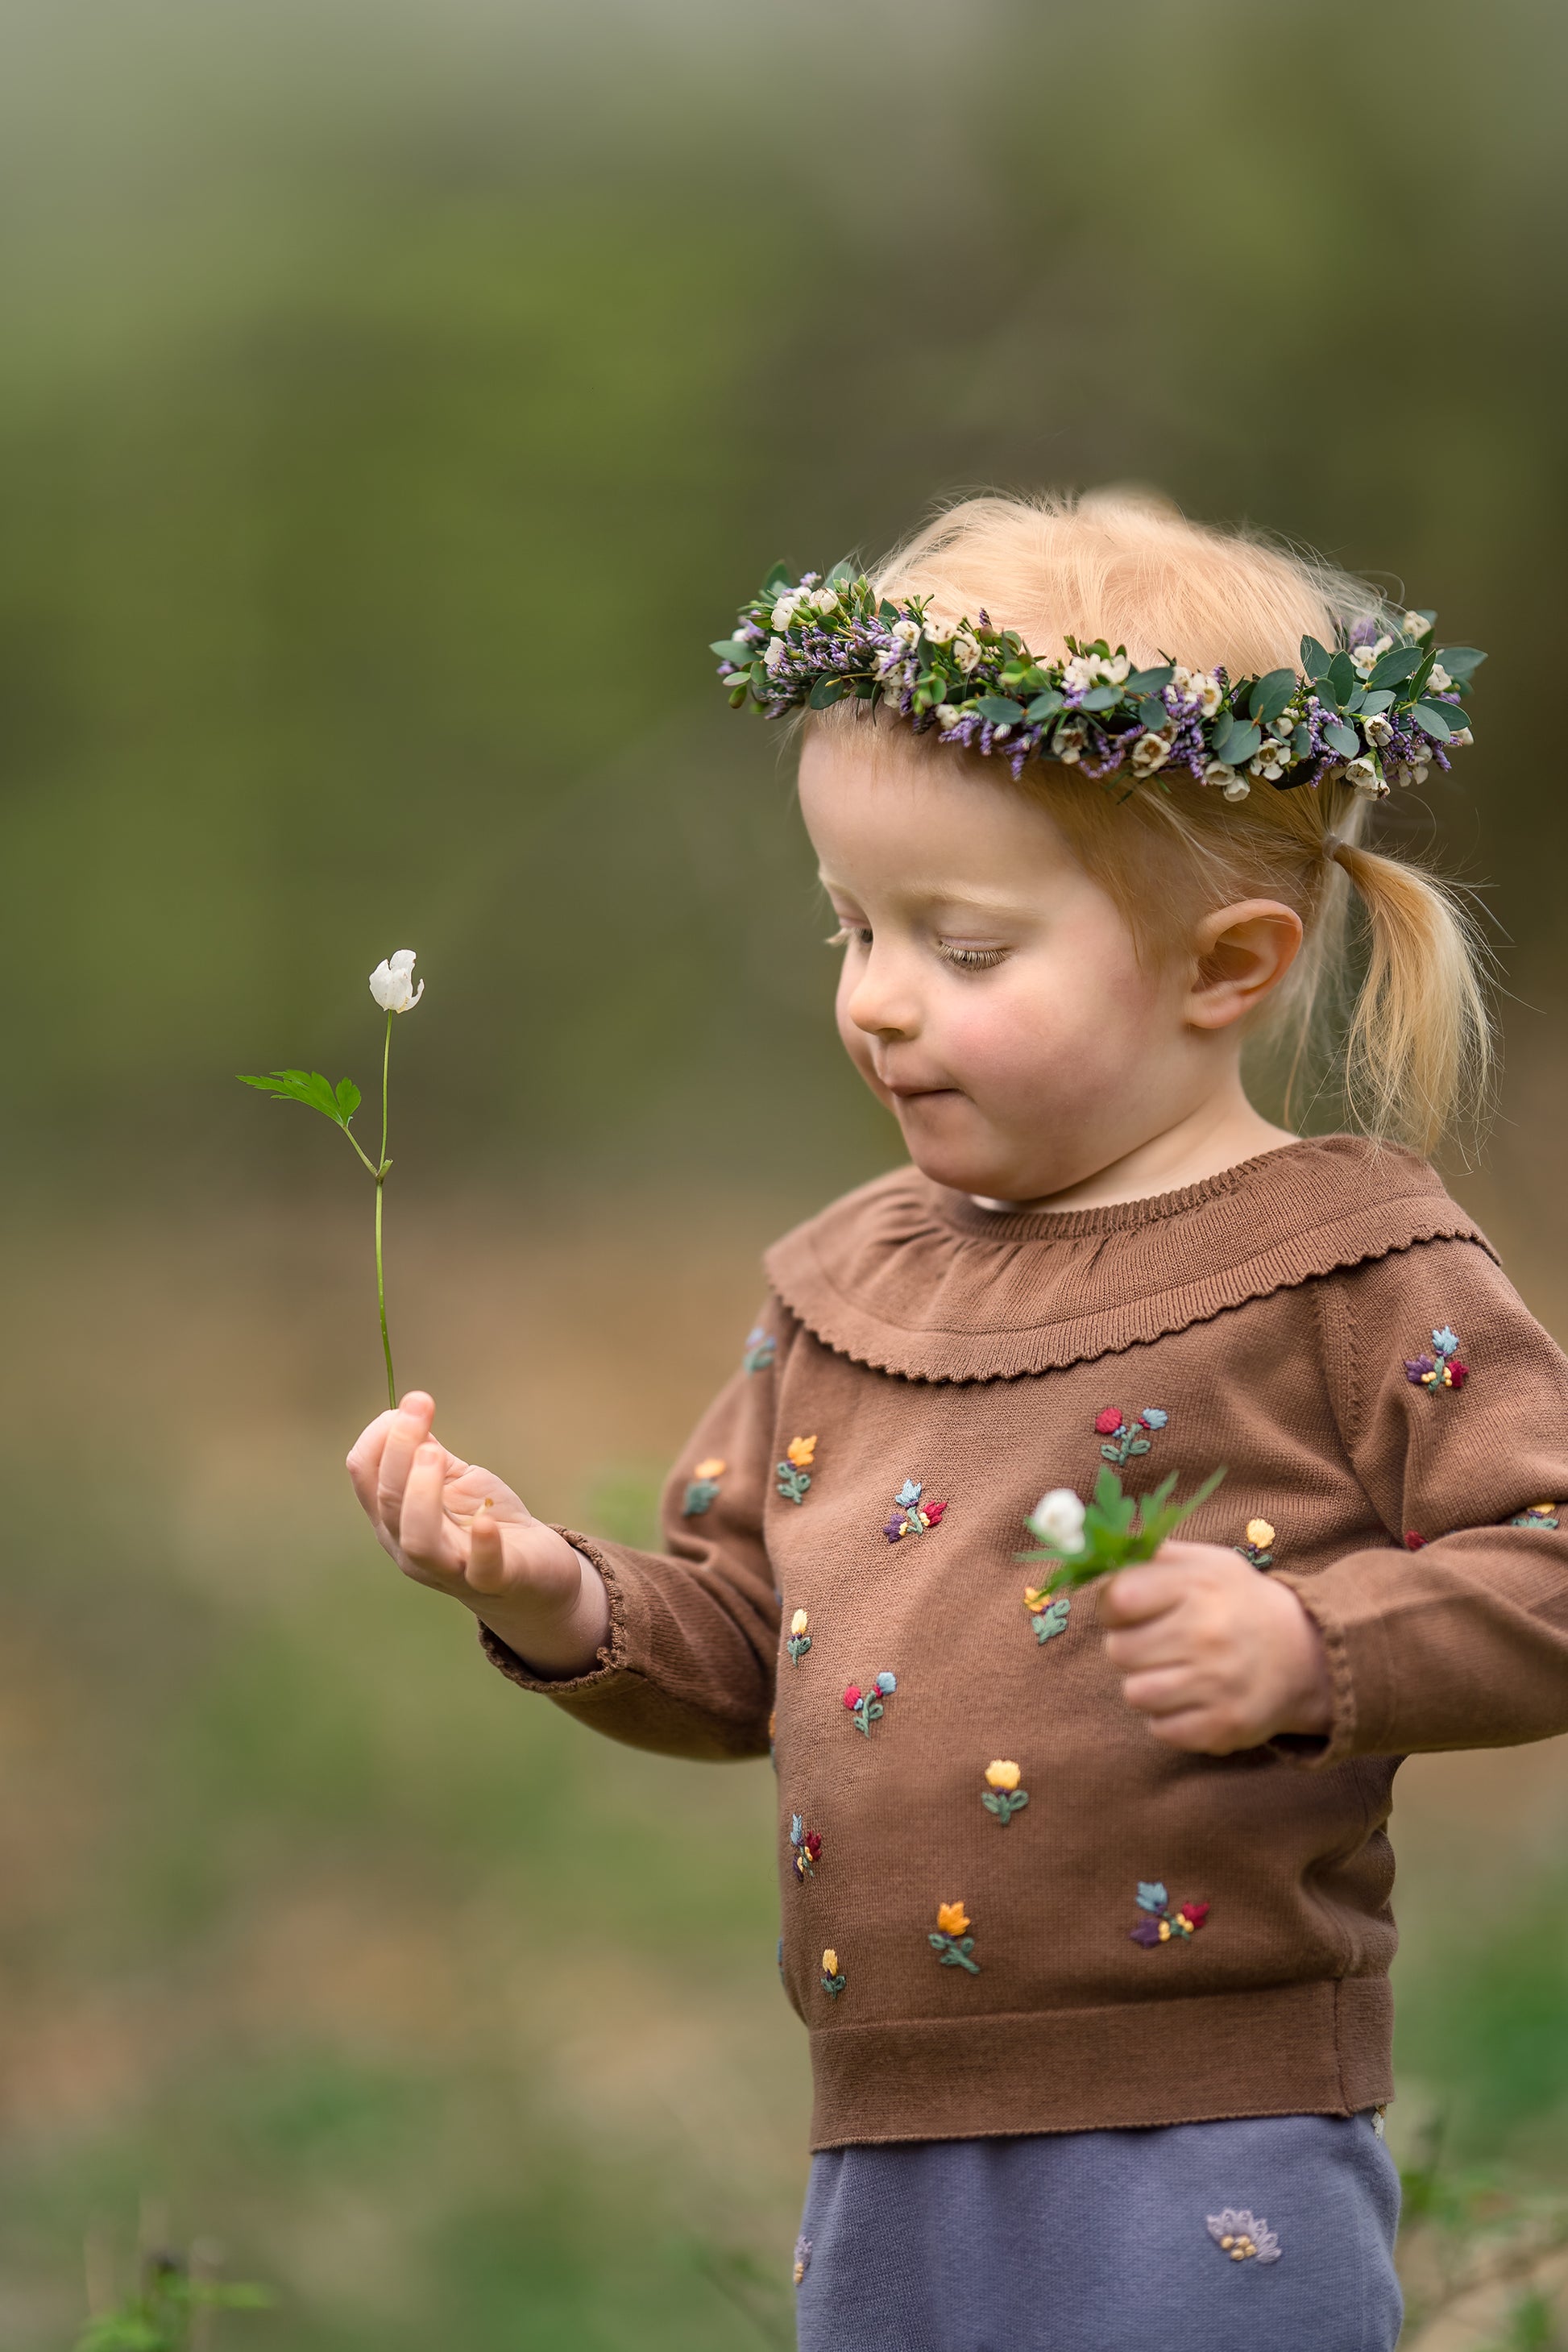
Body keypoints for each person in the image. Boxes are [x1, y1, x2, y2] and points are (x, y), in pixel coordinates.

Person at [346, 490, 1568, 2352]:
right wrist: (550, 1595)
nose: (878, 1005)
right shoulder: (842, 1286)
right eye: (851, 928)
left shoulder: (1346, 1265)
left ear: (1223, 966)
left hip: (1207, 2120)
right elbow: (740, 1636)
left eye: (965, 949)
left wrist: (1312, 1640)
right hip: (887, 2131)